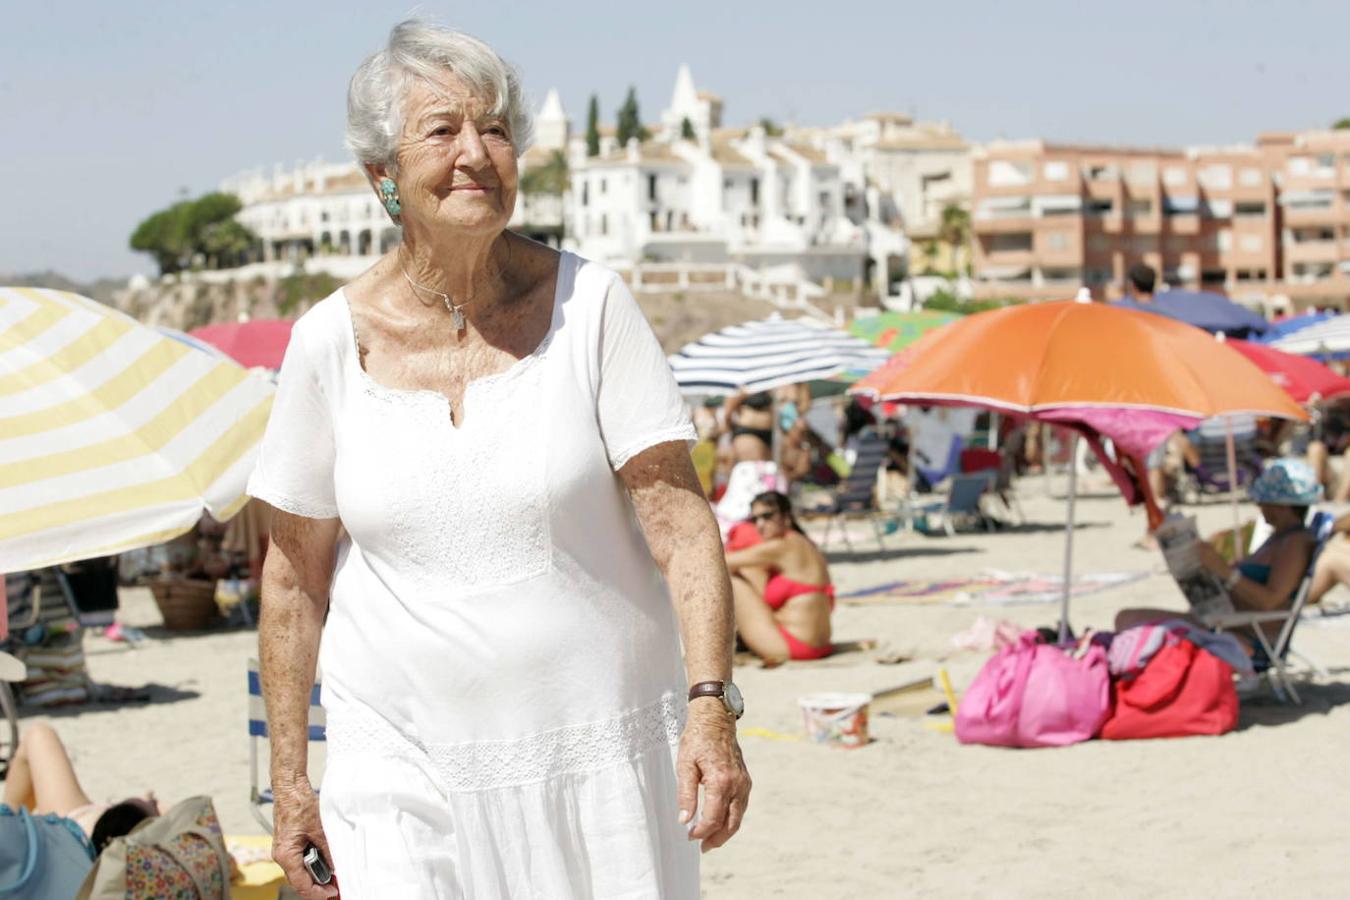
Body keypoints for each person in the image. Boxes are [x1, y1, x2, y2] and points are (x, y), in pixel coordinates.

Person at [248, 21, 749, 898]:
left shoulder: (590, 306)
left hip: (596, 759)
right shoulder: (327, 344)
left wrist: (711, 706)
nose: (477, 153)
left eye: (497, 130)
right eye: (442, 131)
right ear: (383, 177)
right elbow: (293, 583)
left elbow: (682, 527)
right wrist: (293, 789)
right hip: (398, 765)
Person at [1117, 459, 1318, 649]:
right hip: (1225, 622)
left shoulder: (1294, 543)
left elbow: (1269, 601)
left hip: (1242, 633)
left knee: (1129, 622)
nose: (1258, 505)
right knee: (1127, 619)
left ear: (1281, 506)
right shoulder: (1279, 537)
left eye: (1263, 500)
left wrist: (1224, 571)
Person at [2, 722, 159, 854]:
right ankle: (8, 829)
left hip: (80, 839)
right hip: (104, 843)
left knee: (39, 735)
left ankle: (7, 830)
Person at [725, 492, 834, 664]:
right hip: (822, 645)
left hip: (793, 646)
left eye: (767, 516)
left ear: (786, 517)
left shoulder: (781, 547)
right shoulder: (803, 543)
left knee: (730, 577)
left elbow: (722, 562)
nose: (760, 525)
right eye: (755, 520)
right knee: (750, 570)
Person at [721, 390, 775, 462]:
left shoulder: (768, 384)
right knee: (755, 468)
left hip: (770, 434)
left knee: (768, 470)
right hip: (749, 433)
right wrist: (736, 429)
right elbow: (728, 414)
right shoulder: (743, 386)